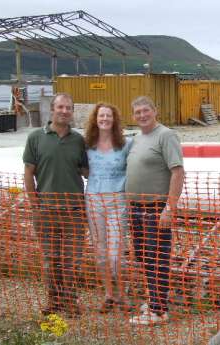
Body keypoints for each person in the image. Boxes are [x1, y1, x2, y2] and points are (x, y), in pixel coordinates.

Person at [23, 93, 88, 316]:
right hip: (46, 211)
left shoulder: (79, 140)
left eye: (68, 108)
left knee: (71, 261)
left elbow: (87, 171)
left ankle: (70, 301)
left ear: (72, 112)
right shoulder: (35, 138)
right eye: (60, 107)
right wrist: (35, 205)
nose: (64, 111)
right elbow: (28, 173)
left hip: (74, 213)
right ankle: (53, 301)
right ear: (52, 109)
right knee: (51, 260)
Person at [126, 96, 184, 325]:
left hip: (155, 208)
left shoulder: (166, 135)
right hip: (136, 208)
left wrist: (169, 207)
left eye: (145, 110)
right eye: (137, 112)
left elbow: (178, 172)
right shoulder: (138, 138)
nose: (142, 115)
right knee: (143, 256)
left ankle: (158, 311)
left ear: (155, 111)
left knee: (155, 257)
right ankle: (155, 298)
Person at [84, 102, 132, 313]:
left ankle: (122, 293)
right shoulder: (87, 145)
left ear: (114, 120)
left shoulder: (125, 144)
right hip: (94, 200)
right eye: (101, 116)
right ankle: (109, 294)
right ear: (96, 119)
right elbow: (83, 169)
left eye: (108, 116)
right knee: (100, 251)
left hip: (117, 201)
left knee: (116, 254)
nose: (105, 119)